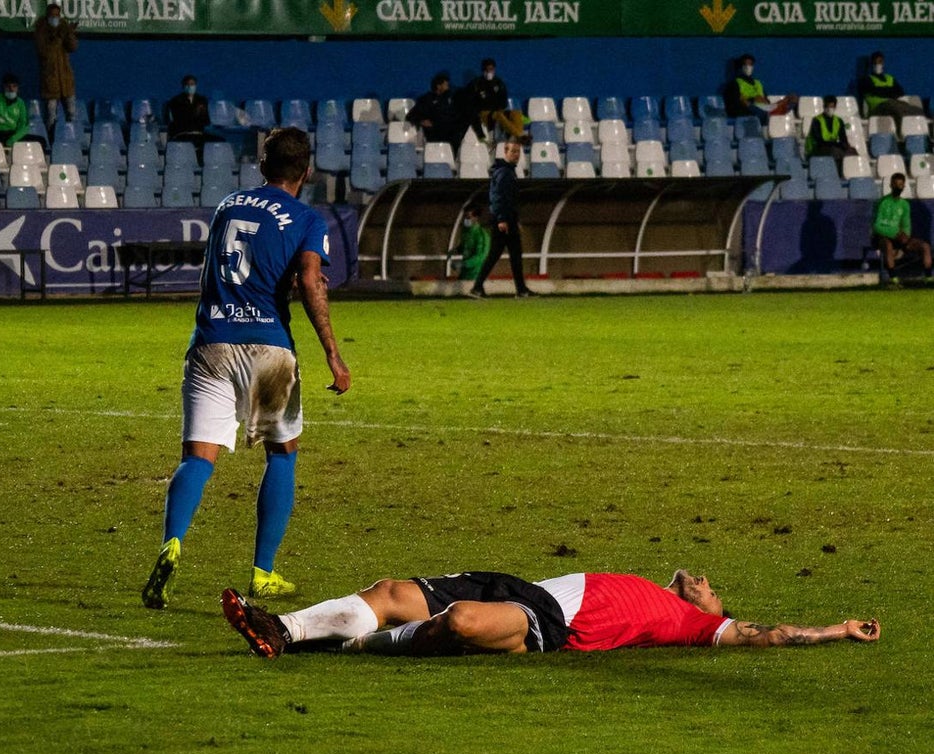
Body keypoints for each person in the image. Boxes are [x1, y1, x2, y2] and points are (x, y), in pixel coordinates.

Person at [141, 127, 351, 609]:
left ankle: (171, 544)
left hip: (210, 342)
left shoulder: (227, 205)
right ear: (307, 171)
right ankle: (263, 571)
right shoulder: (305, 217)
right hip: (268, 346)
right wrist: (333, 355)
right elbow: (311, 281)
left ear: (262, 166)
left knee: (198, 456)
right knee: (282, 452)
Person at [221, 568, 882, 659]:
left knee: (465, 623)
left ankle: (347, 647)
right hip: (526, 585)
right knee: (394, 586)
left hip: (550, 626)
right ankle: (285, 627)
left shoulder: (692, 622)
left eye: (707, 585)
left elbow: (761, 633)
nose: (697, 578)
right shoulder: (652, 585)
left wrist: (833, 629)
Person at [470, 139, 531, 298]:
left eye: (517, 152)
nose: (516, 155)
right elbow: (498, 198)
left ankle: (519, 289)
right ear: (505, 152)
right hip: (503, 221)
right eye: (513, 151)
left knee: (504, 255)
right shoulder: (505, 172)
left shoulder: (505, 171)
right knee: (509, 255)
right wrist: (502, 219)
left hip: (506, 219)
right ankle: (520, 290)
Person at [873, 172, 933, 285]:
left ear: (904, 186)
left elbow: (906, 225)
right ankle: (893, 279)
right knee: (887, 244)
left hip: (899, 238)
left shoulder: (904, 204)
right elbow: (877, 226)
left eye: (901, 184)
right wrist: (894, 233)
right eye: (896, 184)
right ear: (891, 185)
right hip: (883, 237)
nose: (898, 187)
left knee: (925, 246)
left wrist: (905, 236)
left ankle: (928, 278)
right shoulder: (882, 203)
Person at [34, 2, 78, 136]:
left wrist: (69, 33)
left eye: (57, 15)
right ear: (47, 16)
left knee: (71, 113)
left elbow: (73, 47)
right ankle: (50, 141)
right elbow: (45, 53)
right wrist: (59, 36)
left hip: (66, 80)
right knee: (51, 116)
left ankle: (72, 138)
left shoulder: (64, 28)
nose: (55, 18)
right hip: (50, 81)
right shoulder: (41, 31)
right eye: (52, 15)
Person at [858, 51, 926, 137]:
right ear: (871, 64)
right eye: (875, 62)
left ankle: (922, 137)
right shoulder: (866, 80)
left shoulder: (890, 78)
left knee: (916, 110)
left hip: (892, 103)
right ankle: (901, 136)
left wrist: (884, 91)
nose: (877, 64)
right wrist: (889, 91)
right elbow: (874, 91)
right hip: (877, 107)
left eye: (880, 62)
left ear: (883, 63)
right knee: (896, 109)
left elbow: (900, 92)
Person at [465, 59, 527, 144]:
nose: (489, 71)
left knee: (516, 113)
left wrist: (499, 107)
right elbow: (471, 104)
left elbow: (503, 102)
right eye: (487, 69)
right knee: (498, 115)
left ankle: (519, 134)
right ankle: (519, 136)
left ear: (494, 70)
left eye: (491, 69)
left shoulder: (499, 83)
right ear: (483, 70)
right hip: (484, 113)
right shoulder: (476, 84)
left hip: (498, 111)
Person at [724, 53, 796, 125]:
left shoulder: (758, 83)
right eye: (745, 64)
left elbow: (766, 100)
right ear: (741, 66)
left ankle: (778, 110)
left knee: (792, 99)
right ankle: (773, 114)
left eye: (750, 64)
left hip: (765, 107)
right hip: (750, 110)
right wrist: (753, 99)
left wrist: (764, 100)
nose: (748, 67)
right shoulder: (735, 83)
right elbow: (734, 104)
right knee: (766, 113)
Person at [405, 72, 466, 152]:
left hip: (451, 135)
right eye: (446, 85)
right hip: (435, 136)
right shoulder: (427, 99)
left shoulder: (451, 99)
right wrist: (421, 121)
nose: (448, 87)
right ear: (438, 86)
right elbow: (411, 116)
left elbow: (457, 116)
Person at [166, 74, 220, 162]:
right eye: (188, 84)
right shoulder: (176, 101)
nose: (190, 87)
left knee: (218, 141)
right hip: (183, 133)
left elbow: (206, 120)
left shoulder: (201, 100)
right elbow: (180, 119)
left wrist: (200, 115)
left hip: (199, 132)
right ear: (184, 86)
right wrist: (195, 113)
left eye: (192, 84)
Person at [805, 95, 857, 167]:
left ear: (835, 107)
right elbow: (819, 141)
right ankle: (837, 174)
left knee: (852, 151)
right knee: (835, 152)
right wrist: (836, 144)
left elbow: (843, 138)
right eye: (827, 106)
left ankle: (852, 174)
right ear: (824, 106)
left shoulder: (838, 121)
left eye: (832, 107)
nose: (829, 109)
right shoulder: (817, 120)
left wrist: (846, 147)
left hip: (831, 147)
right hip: (816, 149)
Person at [454, 205, 489, 281]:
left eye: (468, 217)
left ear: (476, 218)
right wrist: (456, 250)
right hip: (464, 273)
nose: (466, 220)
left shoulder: (481, 235)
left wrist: (464, 264)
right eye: (465, 217)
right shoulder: (465, 232)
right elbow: (464, 247)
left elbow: (481, 256)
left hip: (476, 274)